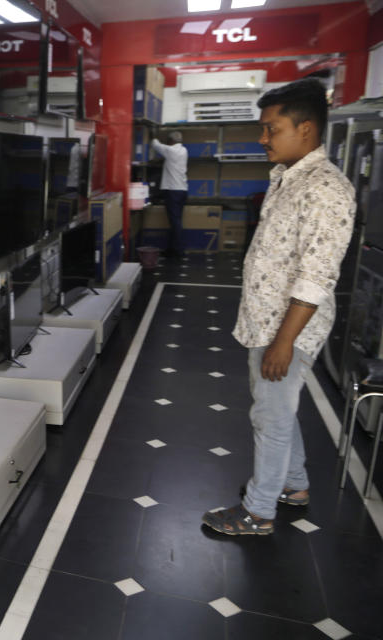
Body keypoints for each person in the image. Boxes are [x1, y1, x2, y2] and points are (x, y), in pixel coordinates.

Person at [202, 78, 355, 536]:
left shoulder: (325, 189)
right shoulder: (289, 177)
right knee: (277, 410)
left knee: (269, 416)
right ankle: (293, 485)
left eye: (271, 129)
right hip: (267, 321)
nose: (262, 138)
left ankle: (258, 511)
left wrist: (284, 342)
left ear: (305, 129)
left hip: (287, 330)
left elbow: (317, 274)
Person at [150, 131, 189, 260]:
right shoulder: (184, 150)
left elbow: (156, 145)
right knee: (176, 221)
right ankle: (173, 249)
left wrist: (152, 134)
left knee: (175, 222)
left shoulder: (171, 151)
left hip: (173, 191)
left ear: (171, 141)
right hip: (182, 190)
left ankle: (178, 251)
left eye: (168, 140)